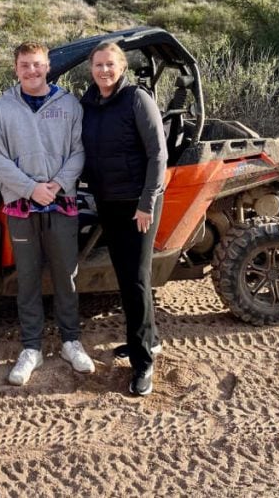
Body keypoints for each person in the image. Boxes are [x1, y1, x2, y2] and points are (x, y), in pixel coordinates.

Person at [0, 42, 94, 386]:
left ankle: (70, 342)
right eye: (25, 65)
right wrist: (32, 189)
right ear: (16, 69)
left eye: (37, 65)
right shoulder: (0, 110)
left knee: (66, 275)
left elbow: (79, 152)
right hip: (20, 207)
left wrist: (57, 185)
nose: (32, 71)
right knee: (27, 279)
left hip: (62, 204)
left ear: (48, 67)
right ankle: (30, 348)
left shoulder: (69, 104)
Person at [80, 41, 167, 396]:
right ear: (91, 68)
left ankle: (143, 362)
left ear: (122, 68)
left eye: (110, 64)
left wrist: (147, 202)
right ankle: (148, 338)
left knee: (136, 280)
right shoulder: (88, 103)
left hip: (138, 203)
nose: (104, 70)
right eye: (98, 64)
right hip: (108, 200)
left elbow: (157, 154)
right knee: (127, 276)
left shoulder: (136, 99)